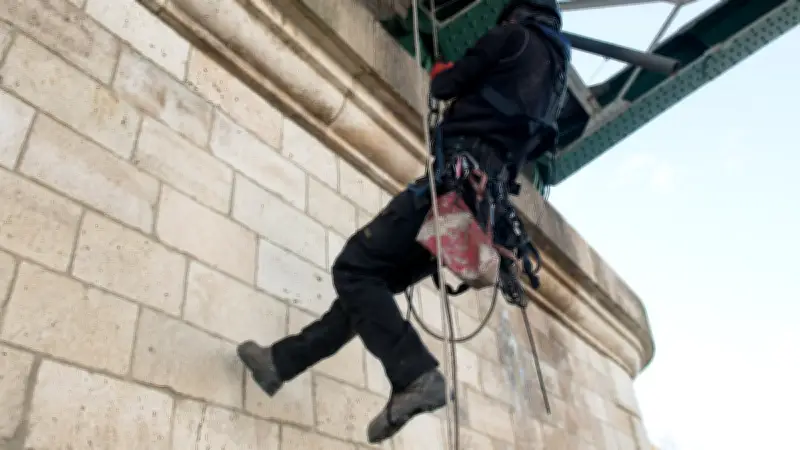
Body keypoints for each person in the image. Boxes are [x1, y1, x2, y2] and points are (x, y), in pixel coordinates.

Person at [236, 0, 570, 443]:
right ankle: (280, 364)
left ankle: (416, 376)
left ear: (516, 12)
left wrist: (441, 73)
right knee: (368, 288)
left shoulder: (512, 38)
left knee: (353, 268)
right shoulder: (555, 79)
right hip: (479, 208)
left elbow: (446, 83)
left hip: (451, 189)